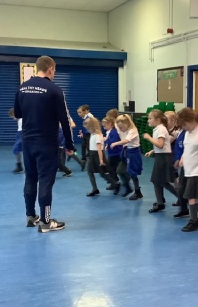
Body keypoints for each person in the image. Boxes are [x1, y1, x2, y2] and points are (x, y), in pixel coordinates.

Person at [14, 55, 75, 232]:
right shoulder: (55, 90)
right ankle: (46, 222)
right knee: (46, 181)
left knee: (30, 178)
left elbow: (17, 113)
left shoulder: (22, 87)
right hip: (47, 143)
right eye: (54, 70)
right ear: (50, 69)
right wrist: (69, 145)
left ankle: (31, 216)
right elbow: (64, 120)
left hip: (28, 142)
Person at [143, 110, 178, 212]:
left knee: (163, 182)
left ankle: (184, 200)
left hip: (164, 158)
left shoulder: (161, 129)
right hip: (160, 156)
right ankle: (160, 203)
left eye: (150, 118)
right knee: (156, 181)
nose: (148, 120)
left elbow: (160, 144)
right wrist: (152, 151)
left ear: (158, 120)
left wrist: (148, 138)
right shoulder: (157, 128)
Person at [111, 114, 143, 200]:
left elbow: (127, 140)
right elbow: (115, 124)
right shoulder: (121, 127)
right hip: (126, 151)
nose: (120, 129)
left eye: (121, 127)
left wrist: (115, 143)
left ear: (126, 124)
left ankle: (138, 192)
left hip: (133, 152)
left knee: (132, 173)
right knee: (119, 170)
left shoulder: (133, 130)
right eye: (119, 127)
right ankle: (128, 187)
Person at [84, 117, 118, 196]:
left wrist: (101, 160)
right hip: (92, 154)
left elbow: (99, 149)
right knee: (90, 171)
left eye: (88, 129)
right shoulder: (93, 134)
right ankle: (95, 189)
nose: (88, 130)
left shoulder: (97, 135)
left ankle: (115, 184)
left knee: (102, 173)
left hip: (97, 156)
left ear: (93, 127)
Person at [102, 116, 122, 191]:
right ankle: (114, 181)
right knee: (112, 168)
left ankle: (115, 182)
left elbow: (113, 141)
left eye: (105, 126)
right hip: (112, 153)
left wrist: (105, 140)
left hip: (116, 153)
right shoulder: (110, 132)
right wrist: (107, 145)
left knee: (112, 168)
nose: (104, 128)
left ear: (110, 124)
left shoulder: (114, 132)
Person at [8, 107, 24, 174]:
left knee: (17, 149)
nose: (13, 119)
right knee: (17, 149)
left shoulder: (22, 119)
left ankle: (19, 166)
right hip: (20, 134)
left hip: (22, 133)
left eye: (12, 117)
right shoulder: (20, 119)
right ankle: (19, 166)